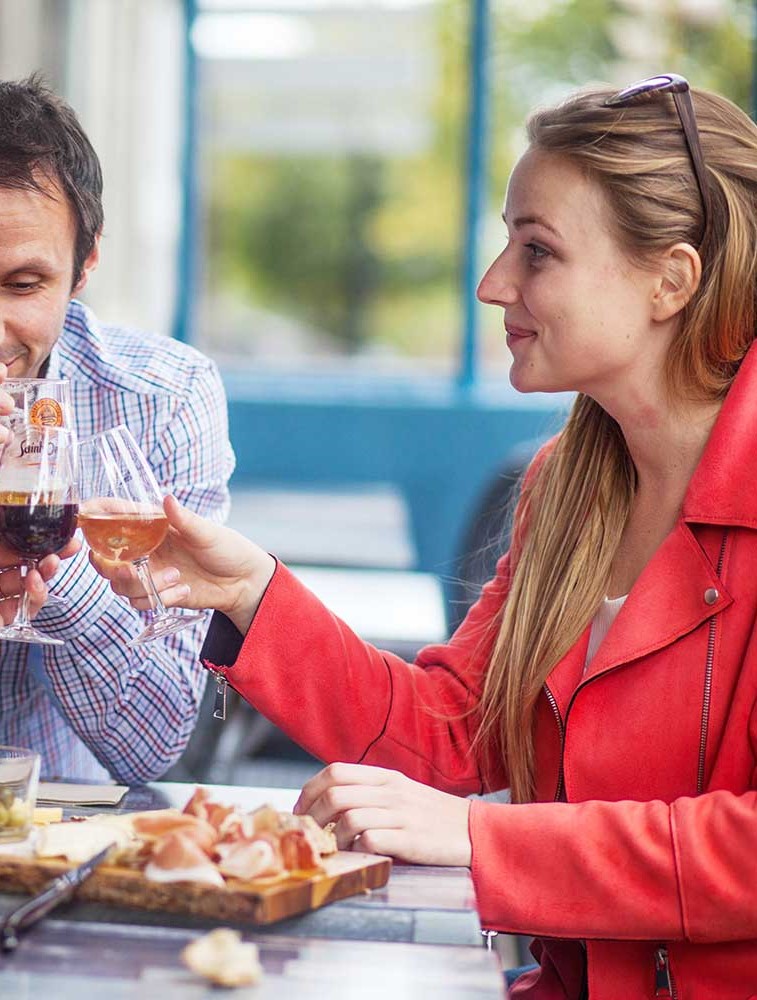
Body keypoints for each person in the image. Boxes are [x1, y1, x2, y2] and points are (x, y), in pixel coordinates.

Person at [89, 74, 757, 999]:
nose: (494, 285)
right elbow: (450, 731)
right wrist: (248, 594)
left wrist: (480, 837)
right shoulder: (567, 487)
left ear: (669, 279)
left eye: (537, 251)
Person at [0, 75, 234, 784]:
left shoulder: (163, 398)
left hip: (54, 847)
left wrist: (55, 573)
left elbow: (155, 746)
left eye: (22, 285)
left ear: (84, 266)